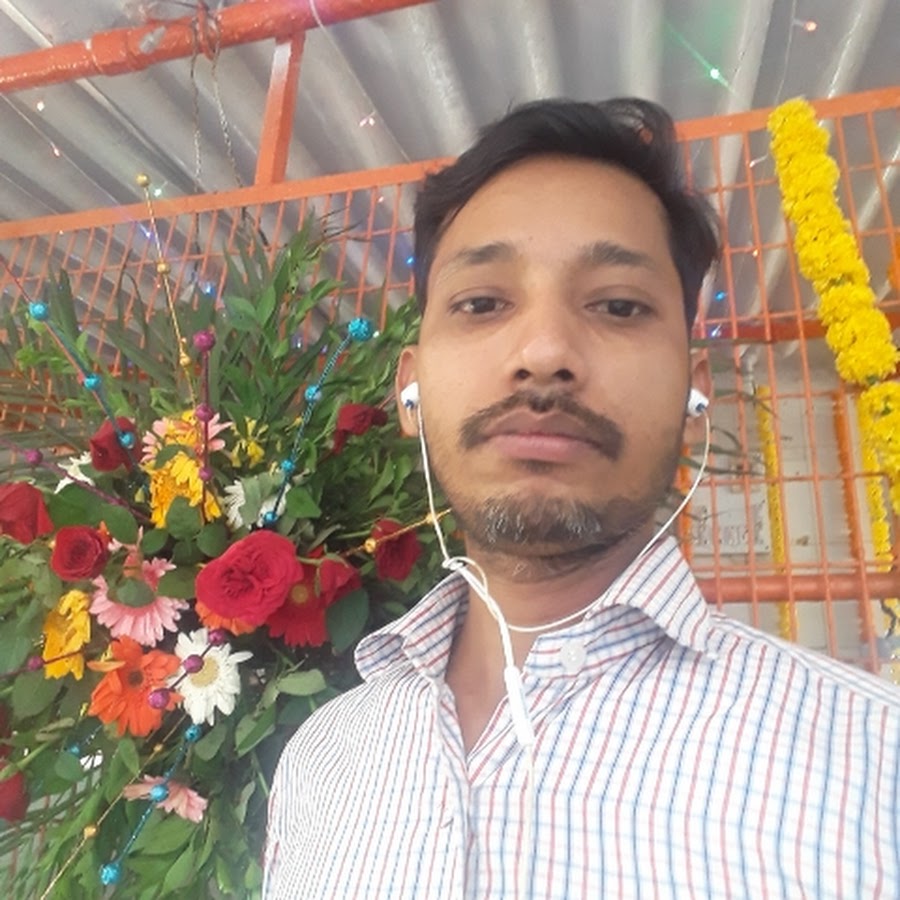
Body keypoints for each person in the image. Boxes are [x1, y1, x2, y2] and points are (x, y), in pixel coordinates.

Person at [263, 98, 899, 899]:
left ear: (695, 395)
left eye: (619, 305)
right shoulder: (320, 758)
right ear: (410, 390)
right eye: (482, 303)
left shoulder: (873, 766)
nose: (544, 352)